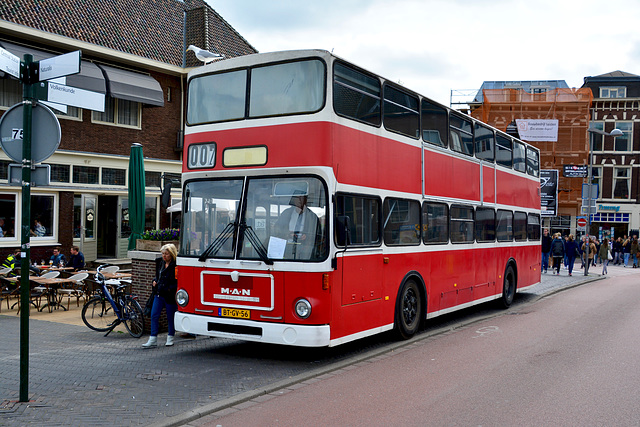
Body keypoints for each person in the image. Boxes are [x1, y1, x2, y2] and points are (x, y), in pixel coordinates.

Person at [143, 244, 178, 348]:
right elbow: (158, 276)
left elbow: (177, 281)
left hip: (169, 295)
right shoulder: (160, 263)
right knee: (154, 314)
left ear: (171, 254)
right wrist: (154, 281)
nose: (164, 256)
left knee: (170, 316)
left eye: (166, 254)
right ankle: (153, 338)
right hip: (159, 293)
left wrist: (170, 288)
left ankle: (170, 336)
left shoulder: (176, 265)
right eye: (163, 254)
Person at [273, 193, 322, 260]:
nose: (299, 200)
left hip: (305, 250)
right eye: (297, 198)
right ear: (293, 200)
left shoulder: (312, 217)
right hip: (286, 249)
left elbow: (318, 236)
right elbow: (276, 230)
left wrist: (307, 237)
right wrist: (287, 234)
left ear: (305, 200)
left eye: (301, 198)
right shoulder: (286, 213)